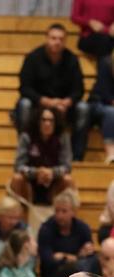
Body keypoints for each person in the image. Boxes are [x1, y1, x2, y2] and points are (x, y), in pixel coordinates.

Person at [14, 24, 89, 161]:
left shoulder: (72, 59)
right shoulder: (33, 57)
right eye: (53, 38)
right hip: (39, 105)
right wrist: (46, 102)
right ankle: (25, 152)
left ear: (65, 41)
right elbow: (25, 88)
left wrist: (67, 102)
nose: (57, 42)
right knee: (24, 104)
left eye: (61, 39)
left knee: (83, 108)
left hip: (64, 107)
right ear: (47, 38)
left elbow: (79, 90)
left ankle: (76, 157)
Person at [37, 191, 98, 277]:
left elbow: (90, 256)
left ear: (73, 212)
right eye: (57, 211)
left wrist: (63, 256)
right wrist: (75, 258)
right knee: (78, 268)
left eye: (64, 211)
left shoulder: (82, 228)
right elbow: (48, 262)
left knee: (94, 262)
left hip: (79, 272)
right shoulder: (46, 229)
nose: (59, 215)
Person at [11, 107, 74, 206]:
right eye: (44, 120)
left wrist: (52, 172)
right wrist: (36, 172)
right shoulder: (27, 137)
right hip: (30, 182)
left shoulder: (63, 137)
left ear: (56, 122)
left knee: (67, 180)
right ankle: (18, 216)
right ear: (37, 122)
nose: (47, 123)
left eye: (51, 120)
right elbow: (18, 166)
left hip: (54, 181)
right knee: (17, 178)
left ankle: (64, 217)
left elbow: (67, 167)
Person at [88, 55, 114, 166]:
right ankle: (110, 152)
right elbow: (104, 92)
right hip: (98, 103)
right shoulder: (105, 63)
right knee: (111, 112)